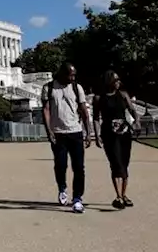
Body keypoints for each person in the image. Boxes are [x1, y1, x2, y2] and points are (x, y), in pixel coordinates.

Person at [41, 63, 93, 213]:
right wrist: (49, 131)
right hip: (58, 133)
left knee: (79, 167)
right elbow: (46, 110)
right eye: (70, 75)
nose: (72, 77)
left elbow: (84, 110)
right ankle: (62, 188)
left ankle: (77, 198)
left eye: (74, 75)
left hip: (75, 131)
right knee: (60, 165)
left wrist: (88, 132)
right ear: (62, 73)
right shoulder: (48, 88)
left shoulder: (77, 87)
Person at [93, 70, 140, 209]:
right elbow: (96, 118)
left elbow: (133, 110)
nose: (119, 82)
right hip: (109, 134)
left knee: (124, 163)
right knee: (116, 163)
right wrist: (96, 136)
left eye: (119, 80)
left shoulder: (123, 95)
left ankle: (123, 195)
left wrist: (136, 121)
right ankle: (118, 196)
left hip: (124, 134)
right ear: (109, 82)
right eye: (116, 80)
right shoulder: (98, 98)